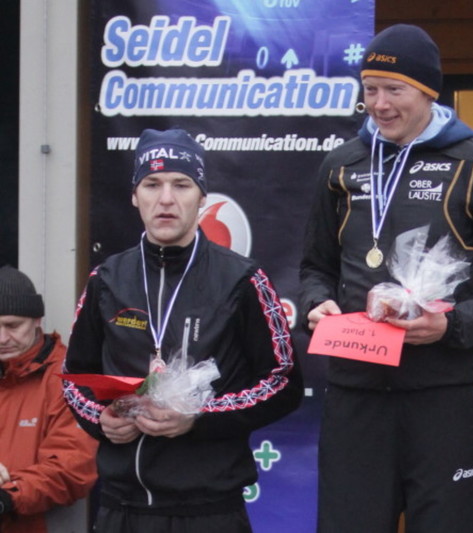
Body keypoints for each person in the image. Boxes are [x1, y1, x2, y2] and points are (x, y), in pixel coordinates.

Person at [300, 24, 473, 533]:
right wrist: (316, 302)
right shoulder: (341, 166)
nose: (380, 104)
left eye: (395, 90)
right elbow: (314, 267)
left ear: (429, 92)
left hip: (440, 397)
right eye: (370, 89)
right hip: (355, 397)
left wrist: (450, 327)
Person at [62, 128, 303, 533]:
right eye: (152, 185)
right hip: (122, 508)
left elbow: (282, 384)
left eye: (182, 184)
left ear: (202, 197)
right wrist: (99, 419)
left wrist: (198, 417)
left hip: (209, 511)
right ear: (135, 196)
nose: (167, 199)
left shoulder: (242, 279)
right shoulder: (106, 279)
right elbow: (73, 379)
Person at [0, 265, 97, 533]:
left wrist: (8, 496)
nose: (2, 338)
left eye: (12, 325)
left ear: (37, 320)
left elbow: (72, 468)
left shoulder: (67, 378)